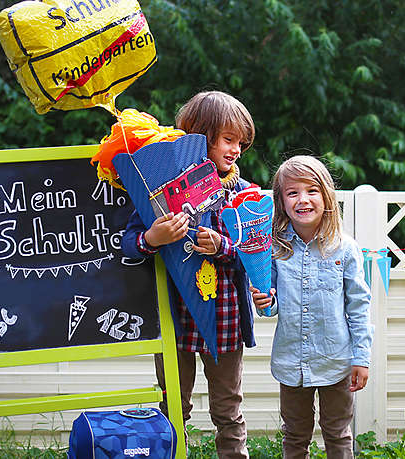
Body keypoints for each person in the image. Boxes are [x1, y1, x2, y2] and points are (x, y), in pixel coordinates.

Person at [121, 91, 257, 459]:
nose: (236, 150)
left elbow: (255, 255)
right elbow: (128, 243)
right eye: (229, 140)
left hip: (224, 320)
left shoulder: (244, 195)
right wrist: (153, 237)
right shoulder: (160, 189)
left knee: (228, 412)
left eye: (241, 143)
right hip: (175, 320)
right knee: (173, 412)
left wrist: (223, 247)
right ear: (200, 135)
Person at [251, 155, 373, 459]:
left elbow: (358, 306)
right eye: (292, 192)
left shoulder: (345, 248)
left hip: (337, 362)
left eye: (312, 190)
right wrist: (265, 303)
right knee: (294, 436)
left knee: (338, 434)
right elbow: (271, 306)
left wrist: (362, 357)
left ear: (327, 196)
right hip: (291, 364)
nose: (302, 199)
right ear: (281, 201)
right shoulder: (275, 247)